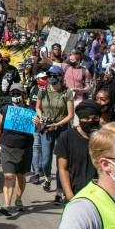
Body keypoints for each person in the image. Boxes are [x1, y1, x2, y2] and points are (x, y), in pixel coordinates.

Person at [0, 83, 36, 215]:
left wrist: (38, 124)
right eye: (13, 94)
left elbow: (38, 130)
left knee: (21, 175)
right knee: (9, 175)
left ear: (24, 95)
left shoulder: (30, 110)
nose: (16, 96)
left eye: (18, 93)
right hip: (7, 147)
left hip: (25, 148)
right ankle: (6, 204)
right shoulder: (5, 110)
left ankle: (18, 198)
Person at [34, 65, 74, 195]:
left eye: (54, 76)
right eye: (49, 75)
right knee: (45, 161)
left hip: (62, 128)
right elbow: (38, 107)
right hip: (47, 128)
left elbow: (70, 115)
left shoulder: (66, 92)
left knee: (60, 161)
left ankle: (59, 191)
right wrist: (42, 118)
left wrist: (57, 124)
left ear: (60, 77)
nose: (51, 78)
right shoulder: (43, 91)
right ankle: (47, 178)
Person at [56, 100, 101, 202]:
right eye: (86, 118)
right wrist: (69, 194)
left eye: (95, 118)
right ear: (80, 119)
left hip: (99, 195)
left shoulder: (103, 137)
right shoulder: (66, 137)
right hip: (75, 194)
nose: (91, 121)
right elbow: (63, 168)